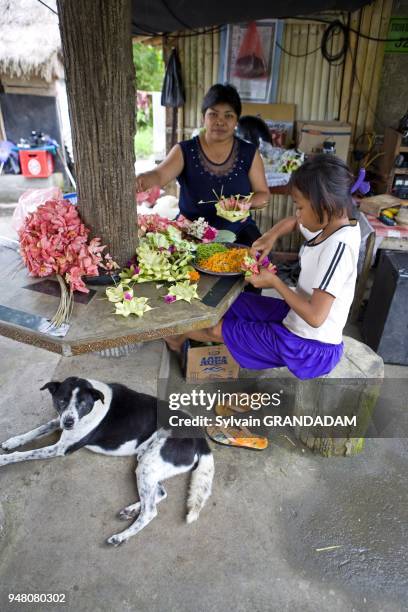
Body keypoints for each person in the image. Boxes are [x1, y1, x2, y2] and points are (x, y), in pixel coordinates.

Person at [165, 154, 361, 380]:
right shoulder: (333, 221)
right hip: (297, 320)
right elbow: (294, 223)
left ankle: (172, 337)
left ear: (323, 204)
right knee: (230, 302)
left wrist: (274, 282)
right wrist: (270, 236)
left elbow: (316, 317)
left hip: (310, 347)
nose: (297, 214)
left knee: (215, 329)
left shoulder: (339, 247)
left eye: (300, 207)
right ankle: (180, 335)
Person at [135, 83, 270, 247]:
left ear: (236, 121)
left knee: (260, 261)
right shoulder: (185, 150)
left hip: (238, 231)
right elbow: (159, 175)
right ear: (203, 117)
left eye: (228, 115)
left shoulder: (249, 153)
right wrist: (143, 180)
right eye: (213, 114)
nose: (220, 121)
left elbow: (263, 195)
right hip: (190, 233)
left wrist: (243, 204)